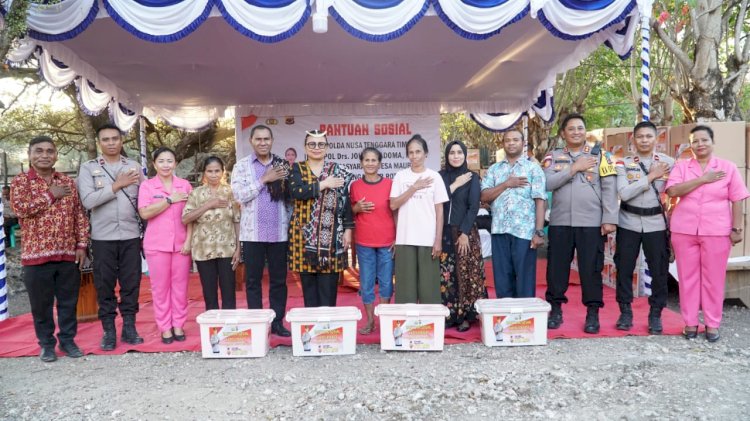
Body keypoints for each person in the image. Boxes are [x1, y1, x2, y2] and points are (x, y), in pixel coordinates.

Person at [666, 125, 749, 342]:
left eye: (704, 140)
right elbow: (673, 191)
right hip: (684, 230)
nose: (700, 144)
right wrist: (703, 179)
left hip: (717, 231)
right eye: (695, 141)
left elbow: (738, 199)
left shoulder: (728, 167)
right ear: (690, 145)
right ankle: (690, 323)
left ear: (712, 143)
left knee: (713, 279)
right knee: (687, 278)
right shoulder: (682, 167)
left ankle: (712, 324)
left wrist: (737, 228)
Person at [11, 136, 89, 362]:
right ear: (30, 155)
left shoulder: (67, 181)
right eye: (39, 151)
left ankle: (67, 340)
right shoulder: (21, 182)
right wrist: (50, 194)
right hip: (36, 257)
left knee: (68, 302)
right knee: (41, 305)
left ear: (56, 155)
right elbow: (22, 209)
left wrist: (82, 244)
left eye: (49, 151)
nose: (44, 155)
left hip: (67, 254)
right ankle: (46, 344)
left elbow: (79, 216)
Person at [543, 113, 618, 334]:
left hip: (591, 222)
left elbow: (609, 188)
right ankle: (555, 309)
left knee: (591, 269)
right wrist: (574, 168)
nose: (576, 132)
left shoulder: (602, 156)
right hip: (560, 222)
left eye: (580, 128)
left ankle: (592, 313)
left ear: (586, 131)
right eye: (571, 128)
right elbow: (547, 182)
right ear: (563, 133)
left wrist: (609, 219)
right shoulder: (553, 156)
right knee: (556, 269)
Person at [77, 124, 145, 351]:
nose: (111, 143)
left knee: (131, 283)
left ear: (121, 141)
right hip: (102, 237)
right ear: (99, 142)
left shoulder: (134, 166)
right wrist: (118, 185)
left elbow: (144, 200)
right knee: (104, 284)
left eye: (115, 138)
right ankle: (108, 330)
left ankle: (129, 327)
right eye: (105, 139)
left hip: (130, 235)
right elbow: (88, 201)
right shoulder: (89, 168)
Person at [613, 121, 674, 334]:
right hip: (628, 220)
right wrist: (650, 177)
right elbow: (624, 193)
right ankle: (625, 311)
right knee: (624, 268)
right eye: (640, 137)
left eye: (649, 136)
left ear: (656, 139)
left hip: (656, 223)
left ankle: (656, 313)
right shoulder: (623, 163)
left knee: (659, 270)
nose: (645, 140)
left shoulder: (669, 163)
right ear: (634, 140)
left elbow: (675, 191)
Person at [232, 125, 292, 336]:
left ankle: (277, 323)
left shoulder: (282, 166)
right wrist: (263, 180)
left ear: (272, 140)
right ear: (251, 141)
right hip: (252, 233)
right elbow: (239, 196)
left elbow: (289, 199)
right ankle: (256, 323)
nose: (263, 142)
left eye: (266, 139)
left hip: (279, 233)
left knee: (278, 281)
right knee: (253, 280)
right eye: (258, 139)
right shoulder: (241, 166)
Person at [288, 129, 355, 307]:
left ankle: (328, 330)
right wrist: (325, 184)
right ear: (305, 147)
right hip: (303, 236)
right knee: (309, 293)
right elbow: (297, 192)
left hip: (331, 238)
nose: (316, 148)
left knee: (328, 291)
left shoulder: (337, 169)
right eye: (312, 144)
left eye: (320, 144)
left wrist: (348, 230)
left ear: (327, 147)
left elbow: (346, 202)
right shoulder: (297, 168)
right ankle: (312, 330)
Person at [480, 129, 546, 300]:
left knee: (525, 278)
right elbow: (484, 196)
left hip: (524, 232)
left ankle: (524, 319)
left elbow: (540, 200)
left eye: (515, 140)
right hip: (499, 230)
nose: (511, 143)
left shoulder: (533, 169)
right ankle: (505, 319)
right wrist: (506, 184)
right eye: (507, 140)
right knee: (502, 279)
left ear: (523, 143)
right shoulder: (494, 170)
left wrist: (539, 231)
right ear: (503, 144)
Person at [138, 147, 193, 344]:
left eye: (170, 161)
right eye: (161, 161)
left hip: (181, 245)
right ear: (154, 164)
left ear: (176, 163)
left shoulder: (185, 185)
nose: (166, 165)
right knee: (160, 288)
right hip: (156, 245)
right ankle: (165, 327)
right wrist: (169, 200)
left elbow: (191, 216)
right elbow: (145, 213)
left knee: (180, 287)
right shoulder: (147, 187)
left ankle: (178, 324)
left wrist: (189, 240)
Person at [390, 135, 449, 304]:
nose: (414, 156)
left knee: (429, 289)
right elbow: (393, 205)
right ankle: (405, 326)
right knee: (405, 289)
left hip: (428, 239)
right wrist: (414, 187)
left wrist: (437, 240)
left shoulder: (434, 177)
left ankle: (429, 326)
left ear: (426, 154)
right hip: (405, 238)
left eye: (418, 151)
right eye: (411, 152)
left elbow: (440, 211)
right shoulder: (401, 176)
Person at [439, 140, 487, 332]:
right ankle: (449, 314)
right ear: (447, 155)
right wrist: (454, 185)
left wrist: (465, 232)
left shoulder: (472, 177)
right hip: (443, 232)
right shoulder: (440, 176)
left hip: (464, 231)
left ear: (465, 155)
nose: (456, 156)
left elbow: (473, 206)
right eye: (452, 153)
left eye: (460, 152)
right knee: (446, 275)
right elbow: (437, 201)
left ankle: (466, 315)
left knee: (466, 273)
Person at [183, 156, 240, 311]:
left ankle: (228, 329)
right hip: (203, 249)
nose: (213, 174)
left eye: (217, 171)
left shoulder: (231, 192)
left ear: (223, 172)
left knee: (229, 292)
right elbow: (186, 218)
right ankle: (213, 329)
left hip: (227, 248)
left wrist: (239, 249)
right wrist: (208, 205)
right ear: (204, 173)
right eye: (210, 171)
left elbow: (237, 220)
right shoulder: (196, 193)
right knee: (209, 293)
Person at [349, 147, 395, 334]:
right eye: (366, 160)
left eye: (373, 160)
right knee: (366, 283)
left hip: (387, 241)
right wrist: (356, 208)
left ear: (380, 163)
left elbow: (397, 211)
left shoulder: (390, 184)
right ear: (361, 163)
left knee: (386, 282)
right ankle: (370, 321)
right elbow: (349, 212)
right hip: (364, 242)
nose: (370, 163)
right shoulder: (355, 186)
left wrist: (398, 237)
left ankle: (383, 320)